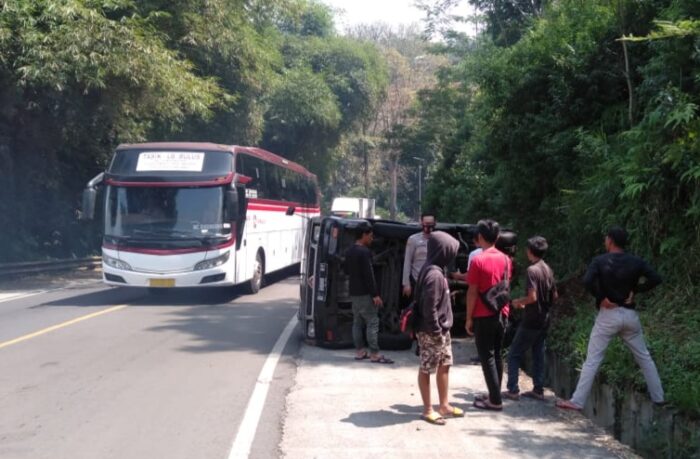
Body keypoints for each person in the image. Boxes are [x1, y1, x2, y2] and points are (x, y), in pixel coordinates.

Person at [556, 226, 664, 410]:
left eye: (606, 238)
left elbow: (587, 281)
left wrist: (601, 297)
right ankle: (659, 398)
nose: (605, 240)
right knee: (644, 358)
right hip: (630, 315)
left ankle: (577, 401)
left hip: (608, 315)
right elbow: (656, 278)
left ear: (611, 240)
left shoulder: (600, 261)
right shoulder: (636, 261)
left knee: (592, 360)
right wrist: (636, 290)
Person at [415, 231, 464, 425]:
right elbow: (429, 307)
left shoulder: (435, 268)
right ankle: (428, 409)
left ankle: (444, 405)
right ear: (443, 251)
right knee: (427, 368)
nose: (452, 256)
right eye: (450, 251)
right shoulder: (434, 274)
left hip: (442, 329)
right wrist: (436, 331)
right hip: (432, 331)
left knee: (445, 365)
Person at [503, 236, 558, 401]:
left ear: (530, 251)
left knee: (514, 354)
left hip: (531, 320)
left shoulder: (532, 270)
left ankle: (513, 389)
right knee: (538, 354)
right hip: (544, 318)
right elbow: (555, 295)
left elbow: (532, 297)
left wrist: (518, 302)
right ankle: (538, 389)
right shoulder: (547, 269)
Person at [466, 219, 512, 411]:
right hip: (502, 311)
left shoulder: (478, 260)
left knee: (487, 356)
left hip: (483, 313)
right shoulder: (506, 259)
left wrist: (468, 318)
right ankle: (495, 394)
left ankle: (495, 401)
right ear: (497, 237)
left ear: (480, 237)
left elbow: (472, 292)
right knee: (497, 354)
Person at [344, 221, 394, 364]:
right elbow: (369, 275)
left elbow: (346, 270)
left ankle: (360, 352)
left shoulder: (349, 251)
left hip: (354, 293)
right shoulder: (364, 252)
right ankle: (374, 353)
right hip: (366, 293)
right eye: (370, 236)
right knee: (372, 321)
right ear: (363, 235)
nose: (372, 239)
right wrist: (375, 295)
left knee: (357, 322)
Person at [402, 212, 436, 299]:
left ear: (435, 223)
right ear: (421, 223)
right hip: (416, 280)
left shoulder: (438, 239)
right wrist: (406, 283)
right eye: (426, 224)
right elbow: (407, 261)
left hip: (433, 281)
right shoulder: (413, 240)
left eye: (431, 224)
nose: (428, 227)